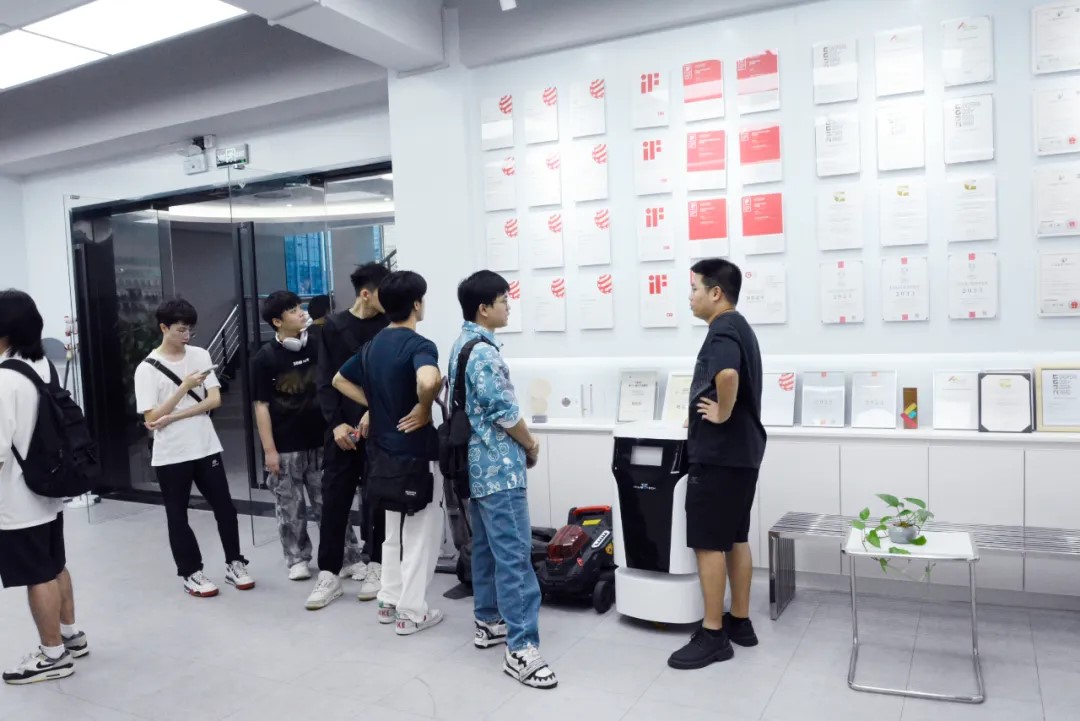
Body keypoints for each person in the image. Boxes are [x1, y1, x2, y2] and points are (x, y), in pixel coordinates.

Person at [450, 271, 557, 689]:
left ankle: (489, 620)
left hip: (476, 467)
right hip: (499, 468)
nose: (508, 307)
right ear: (484, 308)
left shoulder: (462, 343)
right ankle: (521, 648)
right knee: (514, 554)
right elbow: (504, 411)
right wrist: (530, 443)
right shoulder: (485, 354)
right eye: (503, 301)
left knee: (487, 548)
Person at [333, 270, 444, 635]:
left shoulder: (373, 345)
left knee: (392, 530)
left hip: (381, 454)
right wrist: (423, 408)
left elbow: (339, 379)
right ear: (416, 305)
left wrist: (376, 406)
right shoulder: (419, 345)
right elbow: (429, 379)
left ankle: (389, 600)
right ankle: (411, 613)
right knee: (420, 534)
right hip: (415, 453)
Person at [668, 259, 766, 670]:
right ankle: (739, 622)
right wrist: (700, 411)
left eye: (694, 289)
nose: (690, 297)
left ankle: (713, 635)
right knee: (735, 537)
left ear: (716, 293)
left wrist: (721, 414)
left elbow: (727, 375)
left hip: (720, 456)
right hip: (742, 454)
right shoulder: (740, 326)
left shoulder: (722, 327)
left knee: (708, 542)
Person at [134, 299, 254, 598]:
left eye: (190, 330)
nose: (186, 335)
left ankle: (235, 563)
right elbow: (151, 417)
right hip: (171, 453)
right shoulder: (146, 369)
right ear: (164, 328)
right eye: (181, 330)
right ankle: (190, 572)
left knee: (225, 507)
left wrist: (175, 416)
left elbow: (214, 400)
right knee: (177, 515)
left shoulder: (200, 355)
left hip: (205, 445)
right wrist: (184, 388)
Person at [0, 290, 87, 684]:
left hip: (17, 499)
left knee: (38, 575)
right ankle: (71, 635)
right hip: (49, 486)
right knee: (54, 565)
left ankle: (52, 655)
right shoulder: (40, 364)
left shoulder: (4, 379)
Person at [251, 291, 364, 581]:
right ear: (277, 321)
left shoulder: (317, 344)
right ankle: (297, 558)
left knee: (331, 502)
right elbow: (261, 406)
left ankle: (348, 556)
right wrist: (269, 450)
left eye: (299, 307)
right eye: (292, 310)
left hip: (323, 439)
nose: (301, 313)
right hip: (286, 445)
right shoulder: (264, 358)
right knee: (289, 506)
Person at [307, 263, 390, 610]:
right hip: (341, 431)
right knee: (334, 500)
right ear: (366, 293)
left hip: (379, 427)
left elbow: (389, 378)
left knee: (377, 499)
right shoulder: (333, 326)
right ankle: (329, 573)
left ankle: (376, 565)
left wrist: (376, 411)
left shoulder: (389, 325)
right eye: (385, 292)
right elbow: (325, 380)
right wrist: (337, 424)